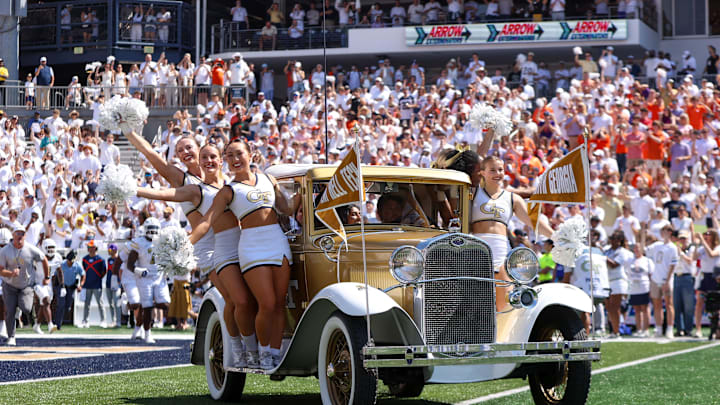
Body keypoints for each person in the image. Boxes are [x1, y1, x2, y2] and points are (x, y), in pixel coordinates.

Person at [136, 144, 253, 356]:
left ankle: (244, 341)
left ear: (220, 159)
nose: (185, 152)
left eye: (189, 147)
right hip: (210, 247)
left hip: (240, 243)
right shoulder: (190, 185)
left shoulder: (229, 185)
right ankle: (235, 345)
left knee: (242, 299)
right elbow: (162, 191)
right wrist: (132, 189)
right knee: (233, 299)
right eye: (179, 149)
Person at [192, 140, 298, 369]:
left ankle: (273, 353)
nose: (234, 158)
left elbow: (287, 208)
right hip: (250, 245)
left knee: (279, 304)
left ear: (250, 155)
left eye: (238, 153)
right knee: (266, 303)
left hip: (277, 241)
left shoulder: (269, 179)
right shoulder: (228, 191)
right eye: (229, 155)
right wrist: (187, 243)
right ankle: (259, 351)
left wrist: (309, 194)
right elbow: (206, 221)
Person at [0, 225, 49, 346]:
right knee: (9, 312)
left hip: (25, 286)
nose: (20, 236)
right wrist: (11, 273)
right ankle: (11, 336)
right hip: (9, 285)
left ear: (25, 236)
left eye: (22, 233)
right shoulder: (5, 250)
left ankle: (18, 305)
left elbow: (44, 259)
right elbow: (0, 270)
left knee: (26, 308)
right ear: (13, 235)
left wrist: (47, 277)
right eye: (18, 233)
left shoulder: (30, 249)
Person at [126, 218, 170, 344]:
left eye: (155, 229)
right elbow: (130, 264)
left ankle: (136, 305)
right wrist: (138, 270)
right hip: (145, 278)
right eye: (150, 229)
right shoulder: (139, 242)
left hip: (159, 277)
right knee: (148, 308)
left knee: (165, 305)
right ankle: (147, 334)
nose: (153, 232)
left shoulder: (163, 242)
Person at [646, 225, 678, 339]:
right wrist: (642, 232)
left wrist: (667, 281)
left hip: (667, 280)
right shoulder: (657, 245)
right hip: (655, 278)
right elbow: (643, 249)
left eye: (664, 230)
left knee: (669, 305)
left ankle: (669, 329)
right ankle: (658, 328)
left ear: (669, 232)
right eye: (661, 231)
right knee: (657, 305)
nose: (662, 233)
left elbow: (672, 265)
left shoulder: (672, 247)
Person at [605, 231, 633, 338]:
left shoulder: (622, 252)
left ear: (619, 241)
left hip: (618, 280)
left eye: (614, 239)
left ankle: (617, 331)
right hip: (607, 280)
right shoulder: (607, 251)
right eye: (611, 238)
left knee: (615, 307)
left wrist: (602, 257)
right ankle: (613, 330)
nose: (611, 241)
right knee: (609, 307)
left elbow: (614, 264)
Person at [693, 229, 720, 338]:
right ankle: (698, 329)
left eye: (708, 235)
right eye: (704, 235)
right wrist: (696, 244)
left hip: (715, 277)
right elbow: (694, 258)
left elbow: (712, 254)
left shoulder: (718, 247)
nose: (705, 236)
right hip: (704, 277)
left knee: (715, 305)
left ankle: (716, 329)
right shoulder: (701, 248)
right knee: (700, 303)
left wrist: (703, 243)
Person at [628, 243, 653, 337]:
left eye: (638, 248)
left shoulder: (647, 260)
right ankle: (639, 329)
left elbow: (651, 275)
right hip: (634, 288)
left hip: (644, 286)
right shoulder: (631, 260)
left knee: (645, 308)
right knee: (637, 309)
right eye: (635, 248)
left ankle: (646, 329)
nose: (636, 250)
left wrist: (651, 288)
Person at [80, 240, 107, 328]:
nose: (91, 249)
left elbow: (104, 271)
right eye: (89, 247)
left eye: (92, 247)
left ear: (95, 248)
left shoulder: (100, 260)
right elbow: (84, 270)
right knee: (86, 304)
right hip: (87, 285)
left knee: (100, 303)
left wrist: (98, 279)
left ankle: (103, 320)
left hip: (97, 285)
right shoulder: (84, 259)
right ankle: (85, 321)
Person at [38, 239, 62, 333]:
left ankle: (37, 325)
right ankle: (50, 325)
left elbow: (60, 271)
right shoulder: (38, 257)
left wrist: (62, 286)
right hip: (38, 282)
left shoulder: (58, 257)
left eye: (52, 247)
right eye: (49, 247)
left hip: (49, 284)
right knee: (46, 301)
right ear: (44, 248)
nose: (51, 250)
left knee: (43, 304)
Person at [105, 243, 122, 328]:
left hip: (116, 282)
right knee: (110, 303)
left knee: (116, 303)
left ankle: (118, 321)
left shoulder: (119, 259)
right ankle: (113, 320)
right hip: (109, 282)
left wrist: (119, 282)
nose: (109, 251)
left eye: (110, 250)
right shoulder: (108, 260)